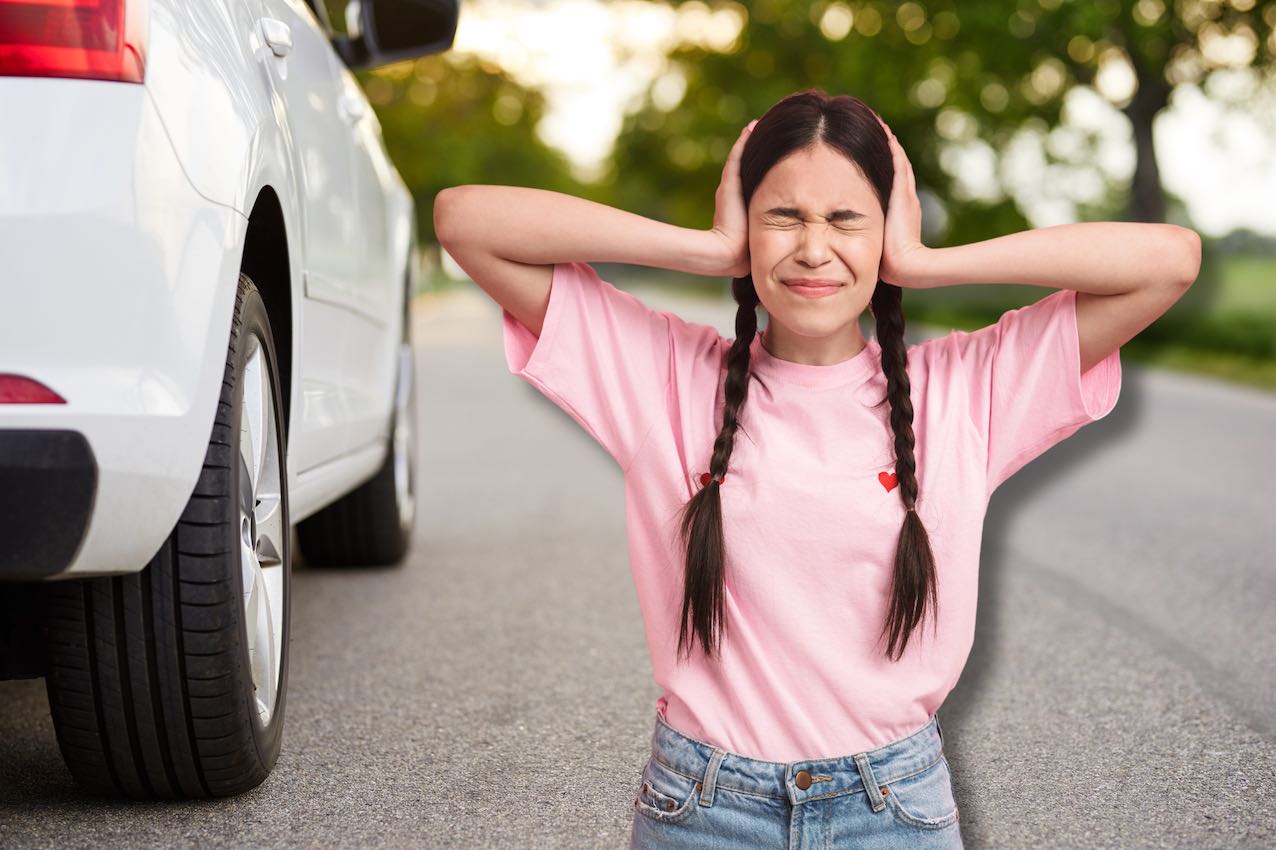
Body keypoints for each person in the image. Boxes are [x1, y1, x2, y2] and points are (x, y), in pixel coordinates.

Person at [433, 88, 1200, 849]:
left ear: (885, 230)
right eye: (784, 216)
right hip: (702, 809)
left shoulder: (968, 390)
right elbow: (465, 220)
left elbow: (1168, 260)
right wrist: (705, 247)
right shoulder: (662, 374)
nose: (812, 247)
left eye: (845, 220)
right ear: (746, 229)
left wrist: (920, 263)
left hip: (894, 810)